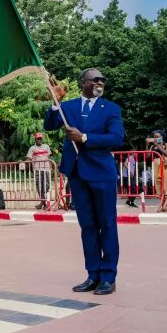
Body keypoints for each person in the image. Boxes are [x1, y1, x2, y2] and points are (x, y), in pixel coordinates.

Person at [44, 68, 124, 295]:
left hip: (102, 175)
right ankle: (93, 274)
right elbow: (49, 125)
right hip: (77, 174)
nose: (100, 82)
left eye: (103, 79)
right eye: (95, 79)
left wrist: (85, 138)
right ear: (83, 83)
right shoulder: (67, 107)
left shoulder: (111, 109)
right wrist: (54, 102)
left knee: (107, 225)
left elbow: (117, 138)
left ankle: (108, 277)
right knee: (87, 226)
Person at [25, 133, 52, 210]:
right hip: (37, 169)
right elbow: (29, 159)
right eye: (37, 139)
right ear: (35, 139)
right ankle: (44, 203)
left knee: (46, 186)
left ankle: (42, 203)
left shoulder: (46, 147)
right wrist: (23, 162)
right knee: (39, 187)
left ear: (42, 139)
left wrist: (51, 167)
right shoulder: (32, 148)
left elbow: (49, 157)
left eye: (40, 139)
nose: (39, 140)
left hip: (46, 169)